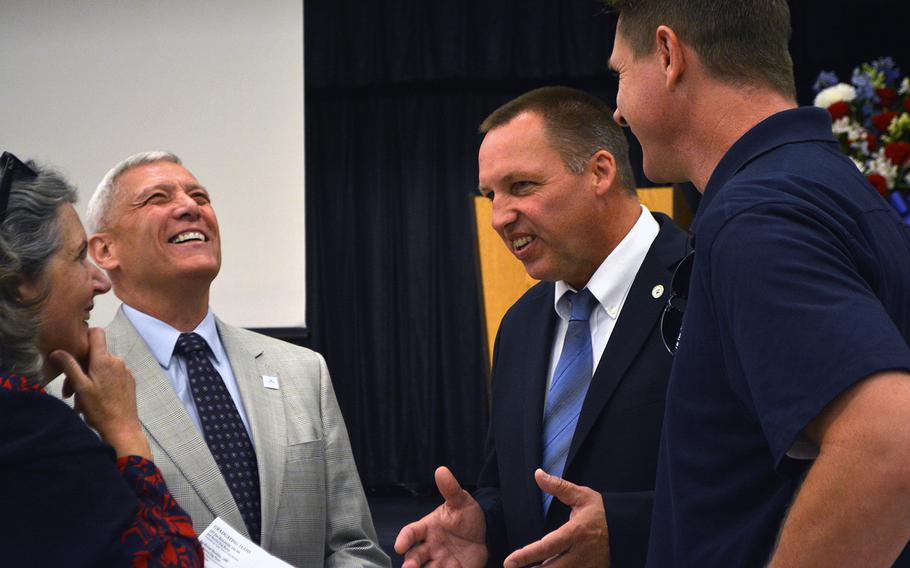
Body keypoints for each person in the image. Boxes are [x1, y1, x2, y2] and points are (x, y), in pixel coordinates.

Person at [604, 1, 910, 565]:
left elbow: (890, 444)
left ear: (669, 55)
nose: (617, 110)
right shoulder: (826, 187)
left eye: (620, 72)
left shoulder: (756, 216)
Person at [395, 86, 688, 567]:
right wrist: (484, 525)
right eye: (490, 194)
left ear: (600, 173)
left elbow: (760, 481)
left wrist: (626, 529)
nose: (498, 217)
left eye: (522, 187)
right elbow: (507, 484)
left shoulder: (705, 285)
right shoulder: (522, 323)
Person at [55, 151, 389, 567]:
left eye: (199, 195)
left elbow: (354, 546)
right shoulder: (68, 388)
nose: (190, 207)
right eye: (158, 198)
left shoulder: (303, 372)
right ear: (104, 251)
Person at [0, 151, 203, 566]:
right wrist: (126, 435)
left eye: (200, 195)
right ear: (20, 279)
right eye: (78, 257)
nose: (99, 281)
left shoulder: (305, 371)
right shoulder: (29, 426)